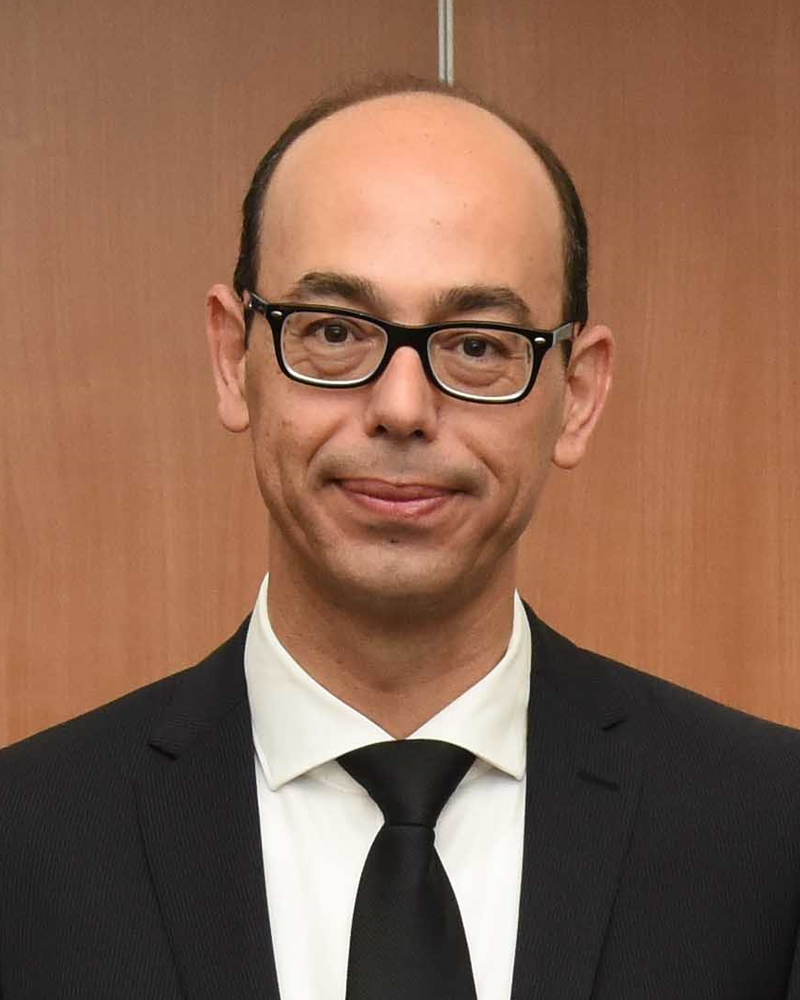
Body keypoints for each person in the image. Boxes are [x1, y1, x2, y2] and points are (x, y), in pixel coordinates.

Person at [2, 76, 800, 1000]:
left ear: (578, 395)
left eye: (476, 345)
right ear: (233, 357)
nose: (403, 408)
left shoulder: (770, 831)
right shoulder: (27, 843)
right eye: (334, 330)